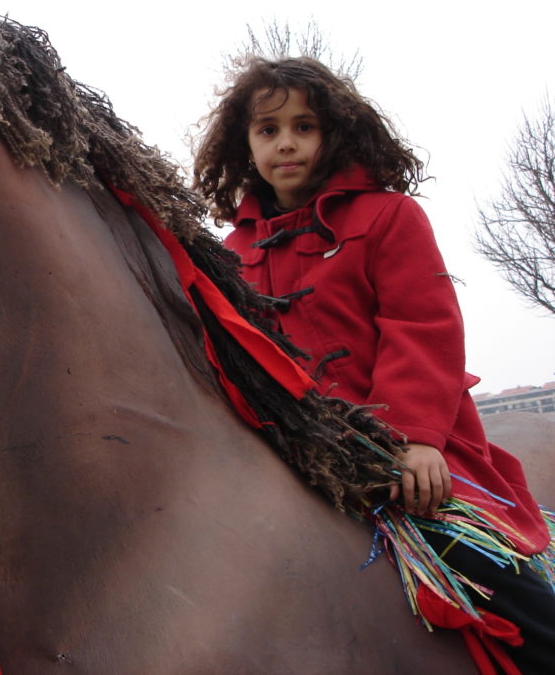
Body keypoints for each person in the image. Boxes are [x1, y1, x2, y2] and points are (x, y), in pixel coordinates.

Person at [193, 55, 555, 673]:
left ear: (334, 134)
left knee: (511, 592)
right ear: (244, 143)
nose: (286, 142)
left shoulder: (389, 216)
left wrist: (415, 441)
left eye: (304, 126)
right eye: (268, 129)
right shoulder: (229, 253)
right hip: (286, 459)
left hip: (407, 455)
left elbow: (424, 330)